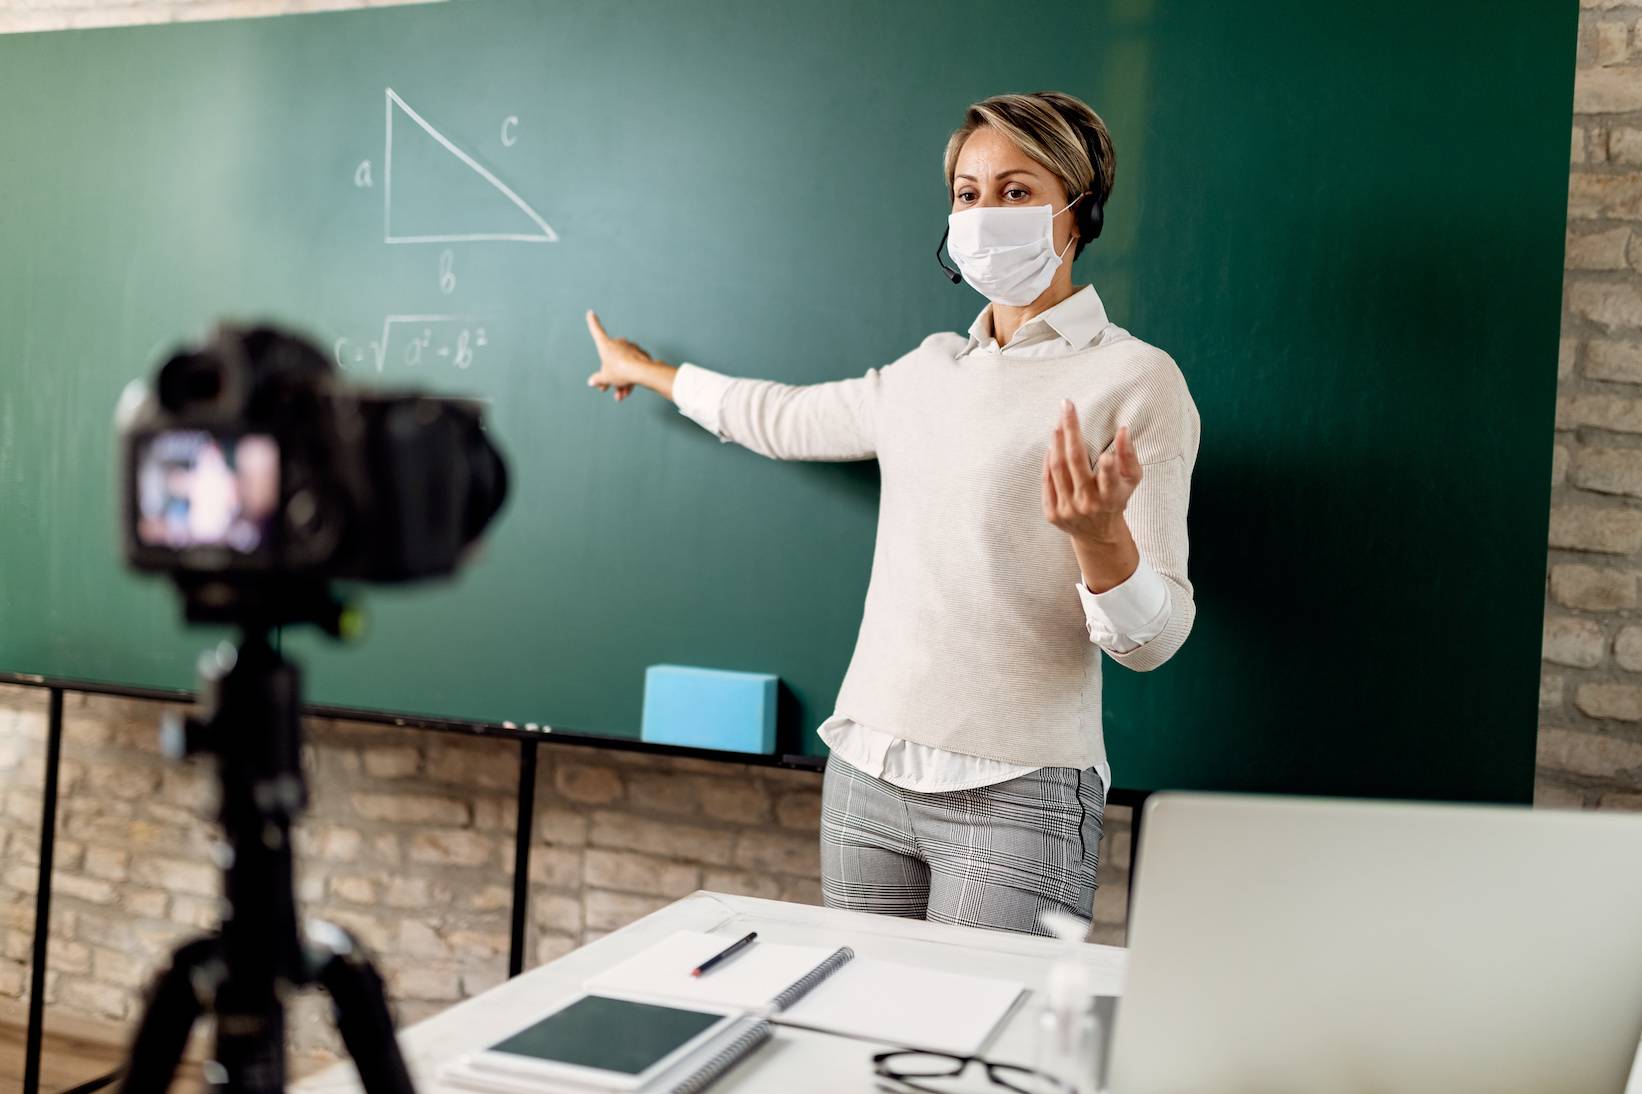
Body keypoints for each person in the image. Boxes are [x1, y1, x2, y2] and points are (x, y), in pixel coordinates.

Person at [584, 92, 1199, 937]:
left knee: (979, 1053)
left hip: (1018, 793)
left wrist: (1103, 544)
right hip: (865, 771)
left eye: (1016, 192)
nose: (985, 214)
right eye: (967, 193)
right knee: (865, 1039)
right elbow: (780, 416)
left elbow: (1158, 640)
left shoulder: (1135, 380)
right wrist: (650, 371)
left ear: (1080, 208)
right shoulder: (928, 372)